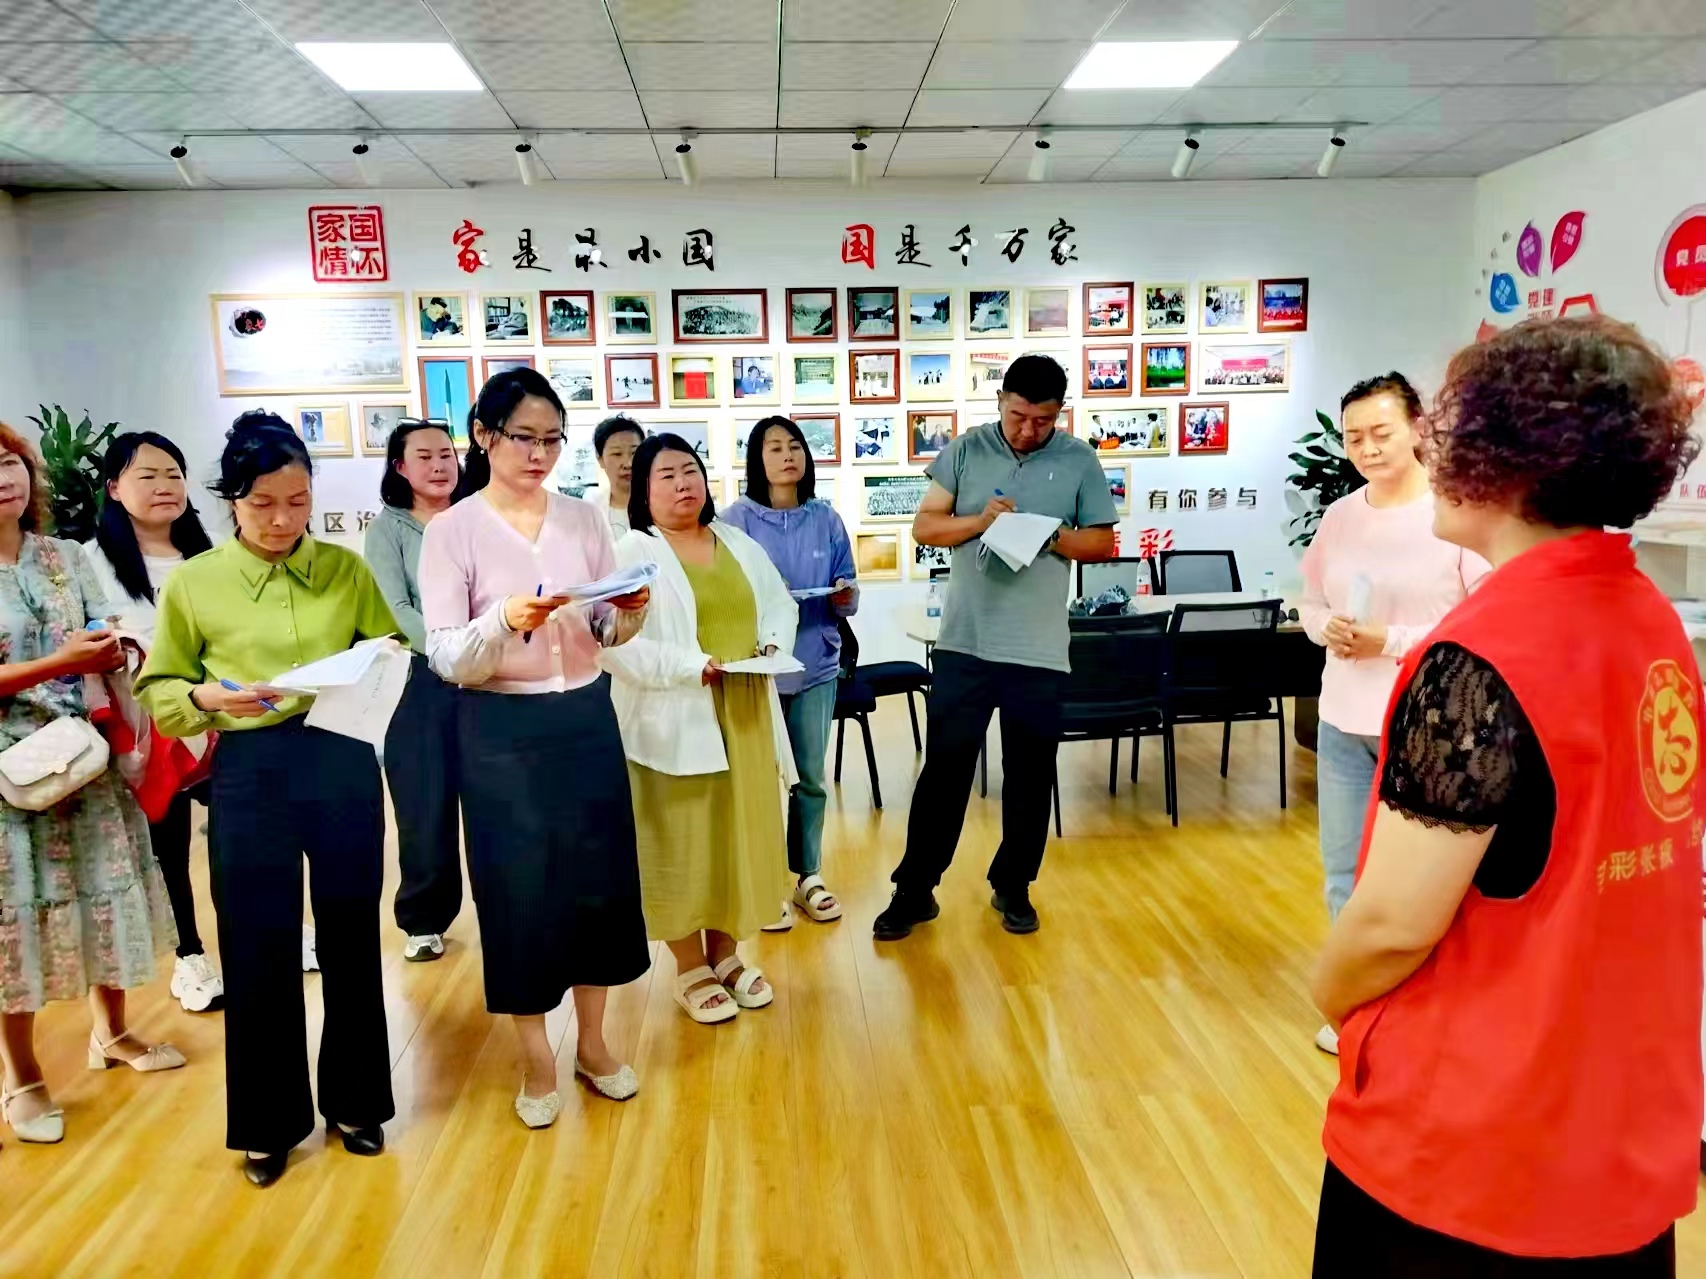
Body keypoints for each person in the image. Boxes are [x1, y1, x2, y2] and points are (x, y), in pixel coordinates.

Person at [1311, 316, 1703, 1275]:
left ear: (1511, 458)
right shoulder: (1649, 615)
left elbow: (1391, 926)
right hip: (1617, 1122)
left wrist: (1327, 994)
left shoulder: (1482, 655)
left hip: (1473, 1144)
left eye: (1448, 429)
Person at [136, 411, 398, 1188]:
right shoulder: (196, 582)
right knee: (257, 942)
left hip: (340, 752)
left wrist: (377, 665)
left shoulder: (346, 569)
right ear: (232, 500)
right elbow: (161, 687)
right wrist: (210, 698)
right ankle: (267, 1120)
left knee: (350, 932)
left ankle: (356, 1101)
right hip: (250, 765)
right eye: (263, 504)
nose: (283, 519)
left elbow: (388, 650)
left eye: (298, 501)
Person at [419, 369, 651, 1129]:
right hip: (499, 729)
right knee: (517, 889)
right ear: (484, 435)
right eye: (524, 437)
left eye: (553, 439)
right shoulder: (452, 530)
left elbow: (603, 631)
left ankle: (594, 1043)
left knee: (598, 882)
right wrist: (502, 622)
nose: (540, 454)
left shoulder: (584, 519)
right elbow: (446, 655)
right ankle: (535, 1056)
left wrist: (629, 611)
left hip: (584, 716)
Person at [875, 355, 1117, 940]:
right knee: (945, 771)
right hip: (966, 643)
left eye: (1043, 420)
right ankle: (915, 889)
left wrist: (1051, 536)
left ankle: (1014, 885)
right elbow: (926, 527)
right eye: (1018, 416)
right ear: (1000, 402)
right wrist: (982, 522)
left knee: (1030, 774)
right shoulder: (965, 450)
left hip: (1038, 648)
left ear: (1061, 413)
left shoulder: (1079, 459)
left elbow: (1102, 543)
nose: (1029, 430)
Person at [0, 422, 184, 1152]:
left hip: (83, 754)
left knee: (105, 892)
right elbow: (58, 657)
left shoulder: (63, 555)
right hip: (9, 774)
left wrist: (111, 645)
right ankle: (21, 1075)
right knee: (15, 921)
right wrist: (59, 663)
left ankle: (112, 1030)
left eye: (10, 462)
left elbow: (97, 628)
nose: (4, 478)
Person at [1298, 374, 1488, 1056]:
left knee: (1426, 883)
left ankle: (1429, 1008)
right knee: (1345, 871)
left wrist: (1392, 642)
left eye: (1381, 433)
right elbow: (1309, 600)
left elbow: (1482, 623)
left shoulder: (1456, 512)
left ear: (1417, 427)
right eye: (1354, 437)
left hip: (1428, 725)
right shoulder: (1340, 516)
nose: (1367, 448)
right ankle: (1357, 1008)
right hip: (1344, 720)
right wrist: (1326, 628)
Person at [601, 434, 796, 1024]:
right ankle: (690, 966)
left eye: (691, 470)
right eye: (666, 475)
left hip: (745, 710)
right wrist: (692, 667)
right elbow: (613, 643)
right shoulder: (632, 551)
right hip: (676, 716)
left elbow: (780, 605)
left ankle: (727, 955)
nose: (683, 483)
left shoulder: (736, 541)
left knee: (740, 836)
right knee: (681, 842)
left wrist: (771, 645)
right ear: (643, 490)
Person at [84, 430, 221, 1014]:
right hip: (146, 729)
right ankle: (190, 956)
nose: (166, 486)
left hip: (219, 718)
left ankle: (268, 931)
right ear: (114, 488)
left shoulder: (211, 555)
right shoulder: (91, 562)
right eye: (148, 476)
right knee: (168, 844)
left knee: (244, 833)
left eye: (174, 475)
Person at [722, 416, 858, 926]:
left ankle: (807, 875)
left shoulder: (827, 518)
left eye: (794, 445)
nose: (787, 455)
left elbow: (849, 594)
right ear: (757, 459)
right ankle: (761, 880)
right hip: (755, 668)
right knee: (757, 779)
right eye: (774, 447)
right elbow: (725, 595)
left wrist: (844, 595)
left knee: (810, 777)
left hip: (816, 662)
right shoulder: (734, 521)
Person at [364, 417, 465, 964]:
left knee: (496, 800)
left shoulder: (478, 517)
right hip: (420, 676)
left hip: (489, 672)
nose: (439, 465)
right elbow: (395, 607)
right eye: (423, 456)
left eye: (446, 454)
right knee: (424, 803)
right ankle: (424, 919)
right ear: (400, 467)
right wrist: (454, 649)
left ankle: (508, 904)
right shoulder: (388, 529)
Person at [588, 415, 644, 537]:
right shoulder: (590, 511)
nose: (628, 464)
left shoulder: (664, 504)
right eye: (617, 454)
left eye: (634, 453)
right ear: (600, 460)